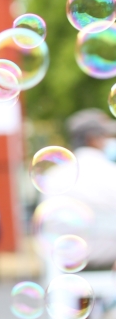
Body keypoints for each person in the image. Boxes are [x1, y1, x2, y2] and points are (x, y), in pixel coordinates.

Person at [60, 108, 116, 270]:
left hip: (67, 256)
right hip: (109, 256)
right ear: (92, 139)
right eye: (107, 136)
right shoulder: (111, 172)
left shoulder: (53, 176)